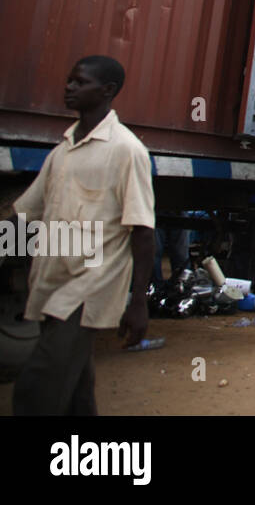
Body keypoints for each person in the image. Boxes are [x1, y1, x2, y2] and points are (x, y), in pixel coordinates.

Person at [10, 56, 155, 414]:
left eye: (79, 82)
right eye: (69, 81)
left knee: (36, 390)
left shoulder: (126, 150)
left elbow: (142, 230)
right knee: (76, 389)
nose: (69, 88)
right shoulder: (62, 151)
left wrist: (139, 302)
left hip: (90, 287)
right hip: (53, 279)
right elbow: (26, 214)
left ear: (107, 91)